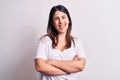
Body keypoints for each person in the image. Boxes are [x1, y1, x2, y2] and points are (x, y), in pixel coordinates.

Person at [34, 5, 86, 80]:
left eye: (63, 17)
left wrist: (52, 62)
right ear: (52, 22)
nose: (61, 21)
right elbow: (40, 67)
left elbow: (80, 66)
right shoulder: (44, 41)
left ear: (69, 20)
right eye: (56, 19)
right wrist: (69, 69)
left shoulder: (77, 42)